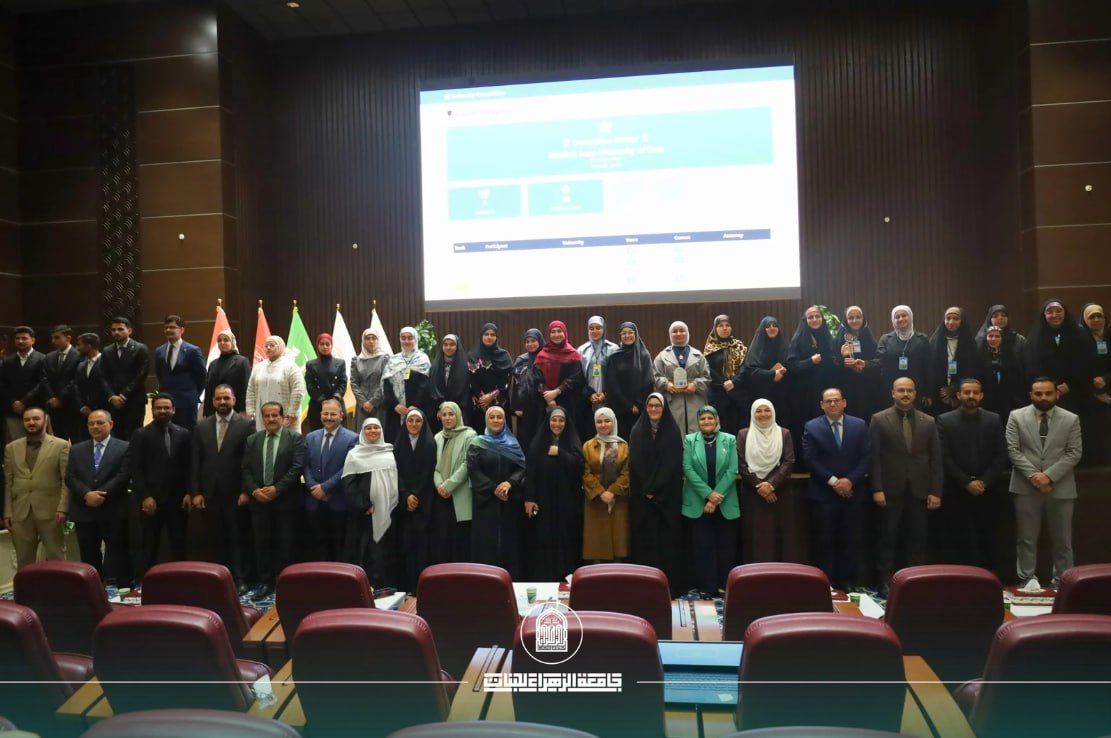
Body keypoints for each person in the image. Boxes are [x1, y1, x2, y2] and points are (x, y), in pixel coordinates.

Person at [1007, 377, 1082, 588]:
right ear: (1031, 395)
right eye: (1038, 394)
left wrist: (1048, 476)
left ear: (1057, 394)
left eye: (1048, 393)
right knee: (1026, 538)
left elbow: (1074, 453)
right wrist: (1036, 477)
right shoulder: (1016, 416)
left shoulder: (1071, 419)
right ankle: (1026, 579)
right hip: (1025, 486)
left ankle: (1063, 582)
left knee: (1062, 541)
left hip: (1061, 486)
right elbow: (1013, 451)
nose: (1043, 397)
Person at [869, 378, 943, 591]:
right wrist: (877, 488)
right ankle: (885, 580)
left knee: (917, 539)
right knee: (888, 538)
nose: (905, 394)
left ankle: (916, 580)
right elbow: (874, 457)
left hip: (920, 490)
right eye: (901, 390)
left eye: (909, 390)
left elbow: (936, 459)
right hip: (890, 489)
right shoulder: (879, 419)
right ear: (892, 393)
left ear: (915, 393)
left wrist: (936, 491)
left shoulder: (928, 421)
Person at [801, 388, 871, 591]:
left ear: (844, 403)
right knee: (825, 539)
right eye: (828, 401)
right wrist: (834, 482)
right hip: (824, 494)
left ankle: (848, 581)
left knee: (851, 539)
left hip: (853, 492)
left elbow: (866, 457)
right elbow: (810, 459)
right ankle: (826, 582)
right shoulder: (812, 427)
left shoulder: (859, 425)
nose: (833, 404)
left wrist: (849, 481)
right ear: (821, 404)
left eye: (836, 400)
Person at [937, 379, 1009, 571]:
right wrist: (966, 482)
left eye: (975, 393)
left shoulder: (993, 419)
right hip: (956, 490)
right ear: (958, 395)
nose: (971, 396)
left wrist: (984, 482)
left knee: (988, 539)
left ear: (981, 396)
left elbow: (1001, 454)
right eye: (966, 392)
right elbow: (944, 457)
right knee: (956, 539)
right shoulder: (945, 420)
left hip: (988, 490)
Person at [191, 384, 255, 594]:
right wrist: (196, 492)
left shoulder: (246, 424)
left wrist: (246, 491)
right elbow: (196, 461)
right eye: (218, 399)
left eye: (226, 398)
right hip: (209, 493)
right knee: (215, 537)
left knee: (237, 537)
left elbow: (250, 461)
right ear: (213, 401)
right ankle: (217, 579)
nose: (222, 402)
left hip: (235, 493)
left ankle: (240, 579)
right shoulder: (201, 425)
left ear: (234, 400)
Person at [241, 401, 307, 597]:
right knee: (262, 543)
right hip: (259, 501)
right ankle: (265, 583)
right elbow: (245, 468)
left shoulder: (294, 438)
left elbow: (297, 468)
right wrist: (254, 491)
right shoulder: (253, 440)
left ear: (282, 416)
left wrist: (276, 489)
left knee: (285, 544)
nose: (271, 419)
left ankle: (284, 582)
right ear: (263, 418)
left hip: (285, 501)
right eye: (267, 416)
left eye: (274, 415)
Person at [129, 393, 191, 578]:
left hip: (178, 500)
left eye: (166, 408)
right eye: (158, 408)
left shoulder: (184, 433)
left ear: (173, 410)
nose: (162, 411)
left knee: (179, 543)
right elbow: (135, 469)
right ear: (153, 410)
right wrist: (145, 496)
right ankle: (146, 582)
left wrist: (189, 492)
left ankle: (182, 580)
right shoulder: (141, 434)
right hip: (151, 501)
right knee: (149, 544)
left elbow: (189, 466)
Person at [66, 409, 131, 585]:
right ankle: (93, 589)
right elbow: (70, 477)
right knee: (89, 555)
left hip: (113, 509)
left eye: (100, 422)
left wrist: (100, 494)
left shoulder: (124, 447)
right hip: (84, 510)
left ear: (110, 424)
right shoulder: (77, 449)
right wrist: (87, 494)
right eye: (91, 423)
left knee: (119, 552)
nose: (95, 426)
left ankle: (124, 591)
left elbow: (123, 476)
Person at [627, 392, 684, 594]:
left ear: (664, 408)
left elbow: (673, 464)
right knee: (645, 542)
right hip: (643, 498)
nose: (653, 409)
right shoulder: (636, 430)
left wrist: (656, 489)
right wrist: (648, 490)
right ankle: (644, 587)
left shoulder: (672, 431)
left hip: (666, 498)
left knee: (667, 543)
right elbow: (636, 462)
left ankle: (669, 587)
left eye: (657, 406)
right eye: (650, 406)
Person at [682, 405, 739, 595]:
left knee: (726, 546)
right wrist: (708, 494)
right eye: (703, 419)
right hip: (698, 502)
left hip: (724, 502)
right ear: (697, 422)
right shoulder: (690, 440)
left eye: (710, 418)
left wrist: (715, 498)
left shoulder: (729, 439)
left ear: (716, 420)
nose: (706, 422)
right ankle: (706, 586)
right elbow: (687, 469)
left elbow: (733, 470)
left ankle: (724, 584)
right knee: (702, 546)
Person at [3, 407, 69, 569]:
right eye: (27, 420)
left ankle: (62, 592)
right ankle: (29, 594)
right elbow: (8, 482)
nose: (31, 422)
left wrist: (63, 508)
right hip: (20, 513)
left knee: (57, 558)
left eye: (35, 419)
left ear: (45, 420)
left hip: (51, 512)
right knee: (24, 561)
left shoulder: (61, 445)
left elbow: (66, 480)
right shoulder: (11, 448)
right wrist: (7, 512)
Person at [525, 407, 584, 580]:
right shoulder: (538, 443)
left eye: (561, 420)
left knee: (565, 538)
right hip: (543, 499)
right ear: (548, 422)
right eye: (554, 420)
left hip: (567, 500)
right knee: (544, 537)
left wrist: (560, 453)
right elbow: (530, 472)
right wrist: (529, 498)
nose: (557, 424)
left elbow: (579, 467)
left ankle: (566, 577)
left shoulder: (572, 441)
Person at [467, 406, 527, 578]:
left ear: (504, 421)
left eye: (499, 417)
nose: (495, 420)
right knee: (486, 544)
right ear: (486, 420)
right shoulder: (477, 443)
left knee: (509, 544)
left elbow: (522, 467)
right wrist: (494, 488)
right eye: (491, 417)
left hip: (509, 501)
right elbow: (473, 470)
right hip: (485, 502)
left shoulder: (513, 443)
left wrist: (509, 483)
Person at [738, 398, 797, 563]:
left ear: (773, 412)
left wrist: (771, 485)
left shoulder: (783, 433)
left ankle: (781, 578)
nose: (763, 414)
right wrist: (760, 486)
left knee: (780, 538)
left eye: (767, 410)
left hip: (780, 494)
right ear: (752, 413)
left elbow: (788, 461)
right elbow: (742, 464)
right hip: (753, 494)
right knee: (756, 539)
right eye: (758, 411)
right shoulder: (744, 434)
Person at [342, 417, 398, 586]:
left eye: (376, 428)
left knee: (384, 553)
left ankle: (384, 588)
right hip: (364, 515)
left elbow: (396, 480)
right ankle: (364, 590)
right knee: (365, 552)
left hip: (387, 513)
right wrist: (364, 505)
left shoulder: (390, 452)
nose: (373, 431)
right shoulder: (354, 454)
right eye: (368, 428)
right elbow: (348, 484)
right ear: (363, 432)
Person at [303, 397, 359, 562]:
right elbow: (304, 465)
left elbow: (348, 467)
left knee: (338, 545)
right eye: (325, 413)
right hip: (314, 501)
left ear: (341, 416)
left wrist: (326, 488)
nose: (328, 417)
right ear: (320, 415)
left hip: (338, 501)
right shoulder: (310, 437)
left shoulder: (352, 438)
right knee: (318, 544)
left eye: (332, 414)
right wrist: (314, 487)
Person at [394, 408, 437, 590]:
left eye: (417, 421)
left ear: (423, 423)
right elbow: (395, 472)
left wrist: (416, 496)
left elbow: (428, 474)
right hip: (403, 502)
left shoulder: (430, 444)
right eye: (410, 421)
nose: (413, 424)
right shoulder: (399, 444)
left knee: (423, 546)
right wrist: (406, 496)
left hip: (424, 502)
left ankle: (423, 588)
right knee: (405, 546)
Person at [582, 407, 630, 564]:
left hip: (618, 500)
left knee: (618, 542)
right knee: (597, 543)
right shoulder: (588, 446)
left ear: (613, 421)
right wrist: (601, 492)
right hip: (596, 500)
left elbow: (627, 472)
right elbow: (585, 472)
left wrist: (612, 492)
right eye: (599, 422)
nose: (603, 425)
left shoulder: (623, 446)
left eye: (607, 421)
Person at [786, 307, 840, 446]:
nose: (814, 319)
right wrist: (810, 362)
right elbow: (791, 365)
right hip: (806, 394)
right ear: (805, 320)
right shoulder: (798, 339)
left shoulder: (829, 338)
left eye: (817, 316)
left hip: (827, 392)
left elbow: (834, 364)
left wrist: (841, 357)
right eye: (810, 317)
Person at [432, 401, 477, 563]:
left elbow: (467, 464)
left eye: (451, 414)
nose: (448, 418)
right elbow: (434, 466)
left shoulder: (470, 435)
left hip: (460, 495)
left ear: (457, 415)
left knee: (462, 544)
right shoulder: (437, 437)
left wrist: (449, 485)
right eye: (444, 415)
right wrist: (440, 485)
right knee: (443, 544)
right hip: (441, 496)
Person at [1025, 299, 1087, 413]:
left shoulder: (1078, 334)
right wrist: (1050, 386)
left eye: (1058, 311)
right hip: (1045, 393)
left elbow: (1084, 362)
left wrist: (1070, 384)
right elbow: (1031, 364)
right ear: (1044, 315)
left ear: (1065, 313)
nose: (1055, 315)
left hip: (1074, 392)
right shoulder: (1035, 337)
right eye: (1050, 312)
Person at [653, 321, 710, 434]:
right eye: (674, 331)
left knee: (696, 434)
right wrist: (666, 384)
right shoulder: (662, 356)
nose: (678, 333)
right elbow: (655, 376)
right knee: (674, 434)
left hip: (695, 400)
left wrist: (695, 384)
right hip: (672, 401)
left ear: (687, 333)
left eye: (682, 330)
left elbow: (706, 377)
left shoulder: (698, 355)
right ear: (670, 335)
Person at [100, 316, 151, 439]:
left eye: (120, 329)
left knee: (136, 435)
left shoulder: (140, 349)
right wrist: (112, 396)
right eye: (113, 330)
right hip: (113, 402)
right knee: (117, 436)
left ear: (129, 331)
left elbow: (141, 375)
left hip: (134, 400)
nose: (116, 332)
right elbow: (102, 376)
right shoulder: (107, 351)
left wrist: (123, 396)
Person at [533, 320, 586, 436]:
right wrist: (549, 397)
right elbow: (537, 378)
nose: (556, 334)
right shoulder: (541, 355)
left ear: (565, 333)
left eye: (559, 331)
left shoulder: (573, 354)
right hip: (546, 402)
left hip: (568, 402)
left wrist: (557, 391)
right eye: (553, 332)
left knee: (568, 435)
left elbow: (576, 378)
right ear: (549, 334)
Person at [154, 315, 207, 430]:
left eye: (173, 327)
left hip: (187, 402)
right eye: (166, 327)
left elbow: (202, 376)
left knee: (188, 435)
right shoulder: (159, 351)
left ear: (182, 330)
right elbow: (160, 374)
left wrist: (193, 394)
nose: (169, 330)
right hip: (166, 404)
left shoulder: (193, 350)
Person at [605, 322, 655, 443]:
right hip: (620, 409)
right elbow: (612, 384)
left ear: (636, 334)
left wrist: (638, 404)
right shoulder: (614, 357)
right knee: (621, 442)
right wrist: (628, 406)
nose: (627, 336)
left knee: (640, 442)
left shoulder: (644, 355)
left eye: (630, 333)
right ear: (620, 336)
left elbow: (648, 382)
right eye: (624, 333)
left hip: (640, 409)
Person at [872, 305, 930, 408]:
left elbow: (928, 367)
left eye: (904, 315)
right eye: (897, 317)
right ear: (893, 320)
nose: (901, 319)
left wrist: (928, 392)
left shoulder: (922, 339)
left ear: (911, 317)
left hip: (916, 390)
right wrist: (865, 364)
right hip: (890, 390)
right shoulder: (885, 339)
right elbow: (879, 361)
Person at [382, 326, 432, 441]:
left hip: (416, 409)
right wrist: (395, 404)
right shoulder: (393, 360)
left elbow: (425, 385)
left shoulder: (423, 359)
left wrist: (414, 405)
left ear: (415, 340)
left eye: (410, 338)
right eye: (403, 338)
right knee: (395, 441)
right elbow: (386, 384)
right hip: (395, 411)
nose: (406, 341)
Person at [926, 307, 980, 414]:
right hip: (939, 395)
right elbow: (930, 369)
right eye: (948, 318)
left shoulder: (970, 343)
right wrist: (942, 391)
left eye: (955, 318)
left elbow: (973, 370)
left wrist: (955, 388)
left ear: (962, 321)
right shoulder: (935, 341)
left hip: (963, 394)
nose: (951, 322)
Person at [245, 336, 305, 431]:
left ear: (281, 347)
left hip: (286, 416)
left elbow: (298, 390)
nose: (268, 348)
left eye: (272, 345)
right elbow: (251, 389)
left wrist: (291, 412)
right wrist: (251, 410)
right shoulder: (258, 367)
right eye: (266, 346)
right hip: (263, 414)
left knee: (285, 442)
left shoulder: (290, 366)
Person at [835, 307, 883, 423]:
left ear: (863, 319)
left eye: (858, 317)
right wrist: (842, 361)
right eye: (851, 318)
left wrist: (865, 365)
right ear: (846, 320)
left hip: (867, 387)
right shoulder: (839, 338)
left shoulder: (869, 338)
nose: (855, 320)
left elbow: (879, 363)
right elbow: (832, 364)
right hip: (847, 387)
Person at [741, 316, 790, 427]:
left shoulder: (784, 346)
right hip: (762, 394)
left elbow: (791, 365)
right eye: (768, 326)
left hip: (782, 395)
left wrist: (783, 372)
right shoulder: (756, 348)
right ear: (763, 330)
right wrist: (772, 374)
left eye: (774, 326)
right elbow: (751, 371)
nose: (772, 328)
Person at [577, 316, 619, 440]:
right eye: (591, 328)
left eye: (598, 328)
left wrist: (606, 393)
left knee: (609, 432)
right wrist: (589, 394)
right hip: (588, 399)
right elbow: (578, 378)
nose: (595, 331)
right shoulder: (581, 350)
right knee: (589, 433)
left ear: (604, 329)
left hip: (608, 397)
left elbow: (617, 377)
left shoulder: (613, 349)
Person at [1078, 303, 1111, 465]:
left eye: (1100, 316)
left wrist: (1106, 379)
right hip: (1086, 394)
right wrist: (1094, 388)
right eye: (1092, 317)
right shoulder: (1079, 338)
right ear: (1085, 320)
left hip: (1108, 392)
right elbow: (1074, 367)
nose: (1097, 320)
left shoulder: (1109, 336)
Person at [704, 314, 748, 433]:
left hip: (738, 394)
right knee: (721, 429)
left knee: (739, 428)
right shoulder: (710, 347)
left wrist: (734, 382)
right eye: (720, 325)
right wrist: (724, 383)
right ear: (715, 328)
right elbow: (709, 369)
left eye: (727, 325)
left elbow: (745, 367)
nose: (724, 328)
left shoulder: (739, 346)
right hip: (719, 395)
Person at [2, 326, 46, 442]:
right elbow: (3, 384)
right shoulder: (7, 361)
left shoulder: (42, 359)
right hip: (13, 409)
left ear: (33, 340)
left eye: (24, 338)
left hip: (34, 406)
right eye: (17, 338)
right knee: (15, 443)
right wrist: (13, 402)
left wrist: (24, 401)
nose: (20, 341)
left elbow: (42, 383)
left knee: (37, 442)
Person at [977, 325, 1026, 427]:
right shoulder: (979, 356)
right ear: (986, 338)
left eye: (997, 336)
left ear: (1002, 338)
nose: (993, 339)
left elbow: (1017, 380)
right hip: (985, 402)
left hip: (1006, 402)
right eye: (990, 336)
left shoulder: (1010, 355)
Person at [467, 323, 513, 430]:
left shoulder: (504, 355)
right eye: (486, 334)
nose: (489, 337)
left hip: (500, 402)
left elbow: (507, 379)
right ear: (481, 336)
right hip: (479, 404)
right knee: (480, 434)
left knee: (500, 434)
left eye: (493, 335)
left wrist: (491, 396)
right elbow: (471, 379)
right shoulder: (473, 355)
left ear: (496, 337)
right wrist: (482, 397)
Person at [67, 332, 109, 441]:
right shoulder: (81, 365)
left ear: (89, 346)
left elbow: (107, 386)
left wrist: (96, 409)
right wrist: (82, 406)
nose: (77, 348)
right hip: (84, 413)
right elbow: (75, 386)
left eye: (80, 345)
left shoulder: (106, 362)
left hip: (103, 410)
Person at [42, 325, 81, 441]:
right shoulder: (49, 357)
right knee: (58, 439)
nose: (53, 341)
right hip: (54, 405)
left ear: (68, 338)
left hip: (72, 404)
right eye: (52, 338)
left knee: (76, 438)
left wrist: (60, 398)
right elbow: (44, 378)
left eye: (57, 338)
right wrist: (52, 397)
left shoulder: (78, 355)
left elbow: (75, 380)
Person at [510, 328, 545, 453]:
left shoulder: (546, 358)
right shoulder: (521, 360)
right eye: (527, 341)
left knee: (542, 439)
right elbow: (515, 384)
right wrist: (516, 407)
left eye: (533, 341)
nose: (530, 344)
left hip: (542, 405)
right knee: (525, 440)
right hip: (525, 408)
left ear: (540, 341)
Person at [304, 333, 347, 433]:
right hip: (317, 406)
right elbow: (310, 385)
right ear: (317, 346)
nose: (325, 347)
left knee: (339, 437)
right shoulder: (310, 364)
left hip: (337, 404)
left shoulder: (340, 363)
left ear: (331, 345)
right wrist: (322, 400)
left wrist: (335, 399)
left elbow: (343, 383)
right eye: (322, 344)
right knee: (317, 437)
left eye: (328, 344)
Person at [203, 328, 251, 416]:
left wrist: (243, 410)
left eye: (226, 340)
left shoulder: (242, 361)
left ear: (232, 342)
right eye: (219, 340)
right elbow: (208, 390)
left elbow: (245, 387)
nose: (222, 343)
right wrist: (206, 412)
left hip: (235, 410)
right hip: (214, 411)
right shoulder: (213, 364)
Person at [429, 334, 470, 432]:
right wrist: (441, 407)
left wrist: (454, 410)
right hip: (439, 411)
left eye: (452, 344)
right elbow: (432, 388)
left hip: (460, 410)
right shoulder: (435, 365)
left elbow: (465, 390)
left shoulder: (465, 366)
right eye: (445, 344)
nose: (448, 347)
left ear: (457, 346)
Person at [351, 326, 389, 430]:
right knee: (362, 434)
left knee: (378, 433)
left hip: (379, 404)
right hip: (362, 406)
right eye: (368, 338)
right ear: (363, 341)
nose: (371, 341)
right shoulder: (356, 360)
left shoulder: (384, 358)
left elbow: (385, 382)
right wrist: (363, 403)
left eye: (374, 338)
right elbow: (354, 383)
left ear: (378, 340)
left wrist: (372, 402)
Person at [974, 304, 1027, 370]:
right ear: (990, 319)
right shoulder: (981, 339)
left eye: (1004, 315)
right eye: (995, 316)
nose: (1000, 318)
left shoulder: (1019, 339)